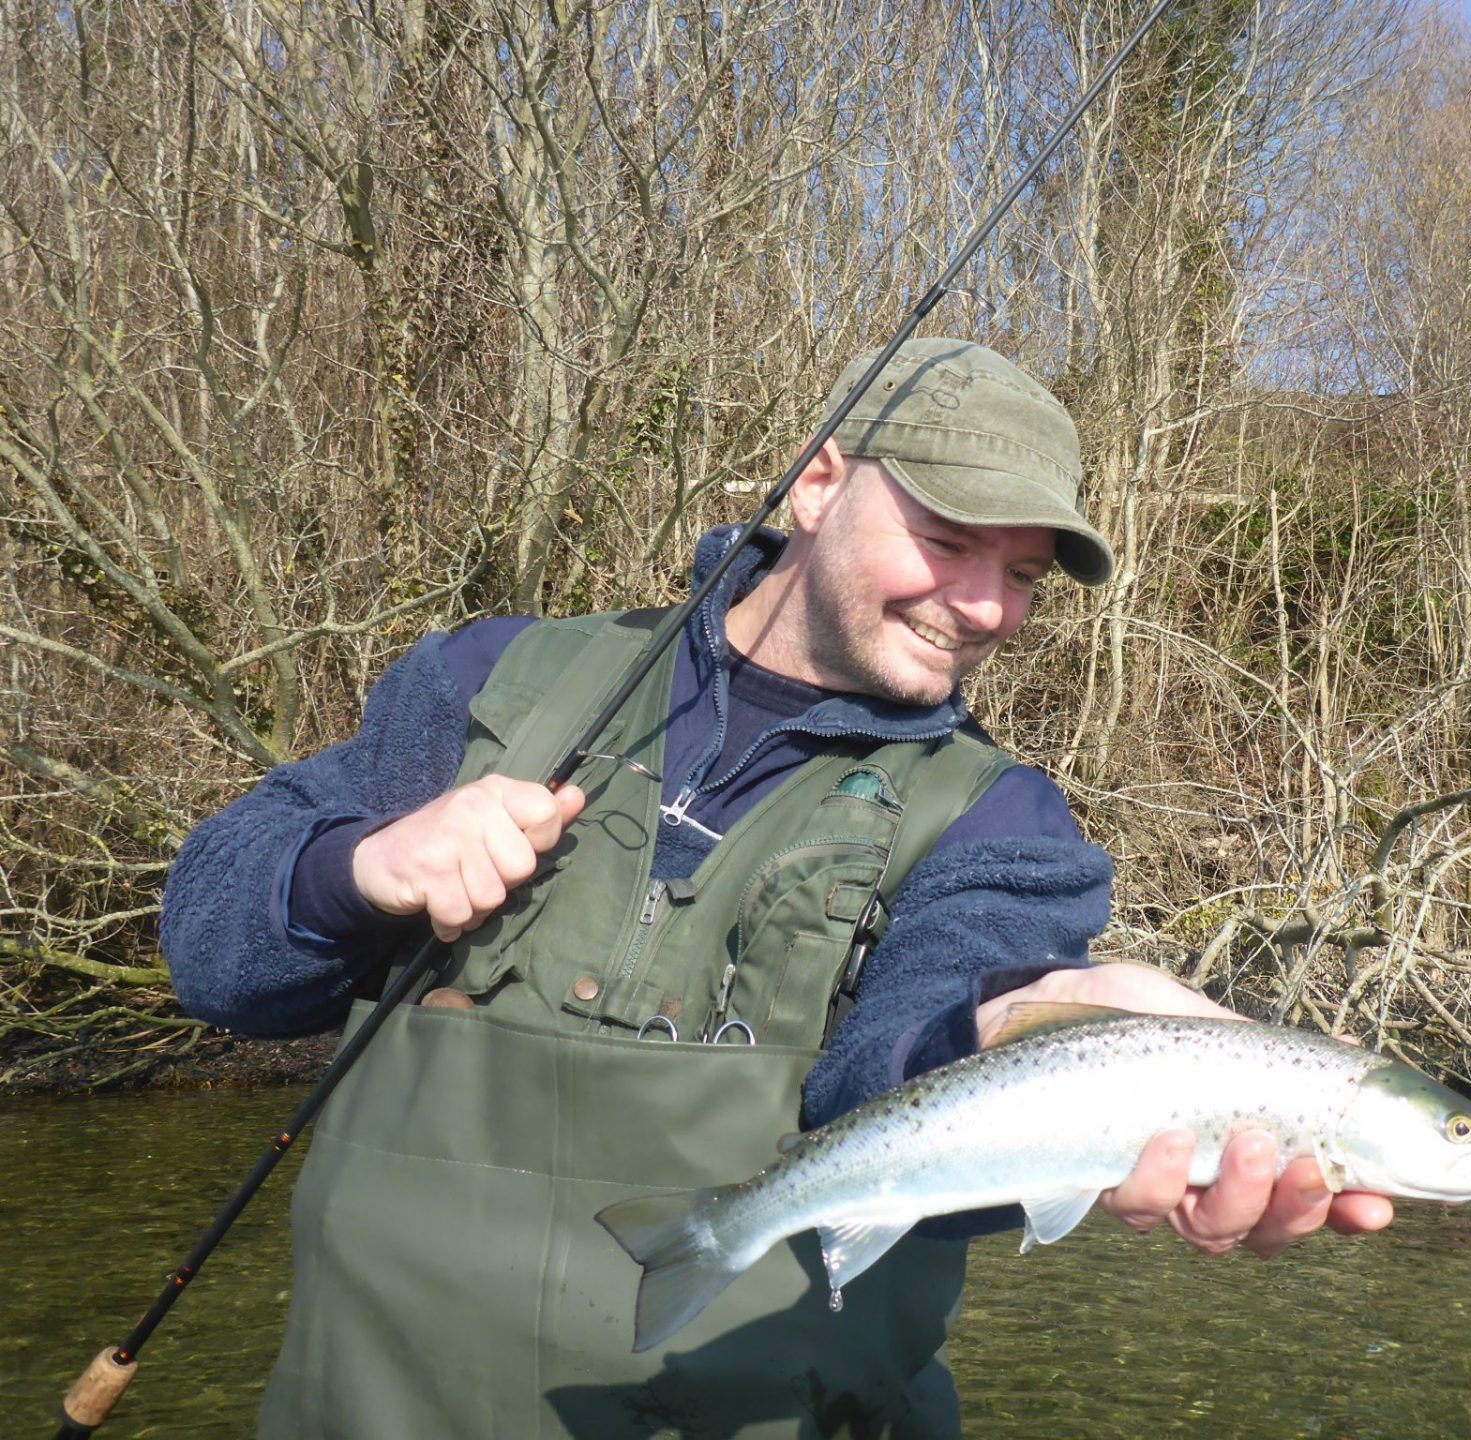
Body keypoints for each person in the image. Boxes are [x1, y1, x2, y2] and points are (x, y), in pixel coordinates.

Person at [160, 338, 1392, 1439]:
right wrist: (357, 871)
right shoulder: (491, 680)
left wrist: (1019, 1032)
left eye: (1021, 575)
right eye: (950, 540)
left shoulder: (1006, 824)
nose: (981, 607)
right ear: (815, 484)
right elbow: (212, 958)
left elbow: (892, 1065)